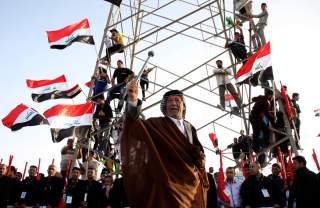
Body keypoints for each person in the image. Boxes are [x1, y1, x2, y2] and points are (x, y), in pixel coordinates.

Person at [121, 81, 209, 207]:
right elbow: (135, 124)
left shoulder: (190, 128)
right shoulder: (155, 124)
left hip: (191, 186)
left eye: (177, 100)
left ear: (183, 106)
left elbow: (196, 151)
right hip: (168, 185)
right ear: (164, 106)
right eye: (170, 101)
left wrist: (201, 159)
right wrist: (133, 100)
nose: (174, 103)